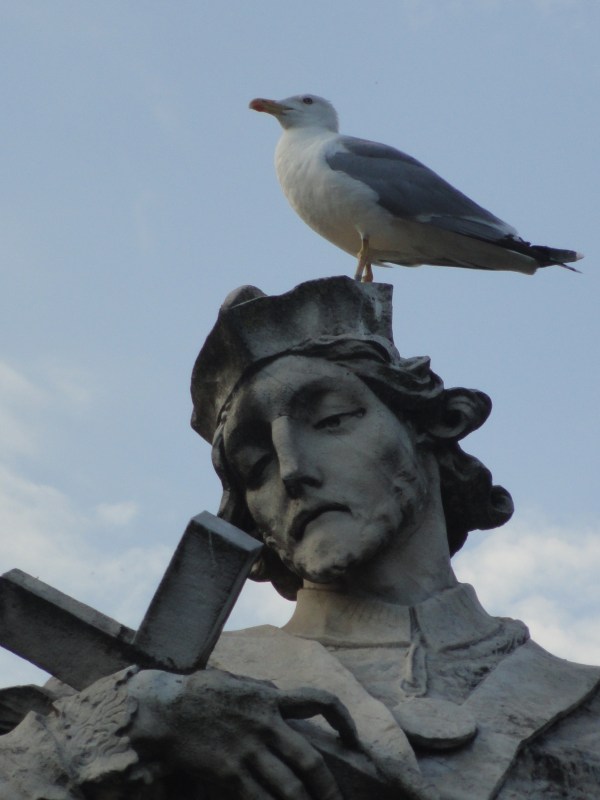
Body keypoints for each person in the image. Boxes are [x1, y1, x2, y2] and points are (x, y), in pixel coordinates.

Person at [1, 277, 598, 799]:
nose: (292, 469)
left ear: (425, 429)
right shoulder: (165, 689)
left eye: (332, 421)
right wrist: (142, 720)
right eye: (255, 464)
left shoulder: (581, 704)